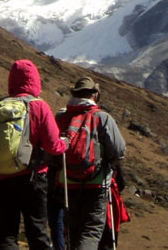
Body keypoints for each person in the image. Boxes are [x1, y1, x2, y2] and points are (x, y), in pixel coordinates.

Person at [0, 60, 68, 250]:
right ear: (35, 80)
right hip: (33, 178)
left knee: (6, 233)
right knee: (37, 231)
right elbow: (53, 145)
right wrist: (65, 144)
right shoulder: (39, 106)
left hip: (2, 177)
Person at [55, 77, 126, 250]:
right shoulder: (102, 117)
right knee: (92, 229)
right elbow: (119, 151)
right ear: (95, 95)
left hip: (67, 183)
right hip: (96, 182)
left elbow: (52, 149)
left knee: (73, 228)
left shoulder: (62, 117)